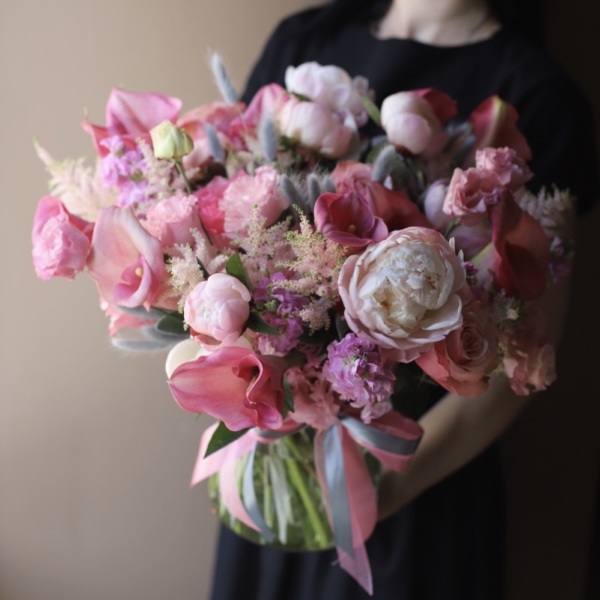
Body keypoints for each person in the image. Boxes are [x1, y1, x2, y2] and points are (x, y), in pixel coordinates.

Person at [210, 1, 600, 598]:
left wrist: (378, 492)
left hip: (416, 485)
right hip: (275, 476)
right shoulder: (305, 39)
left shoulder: (538, 96)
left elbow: (522, 353)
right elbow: (221, 227)